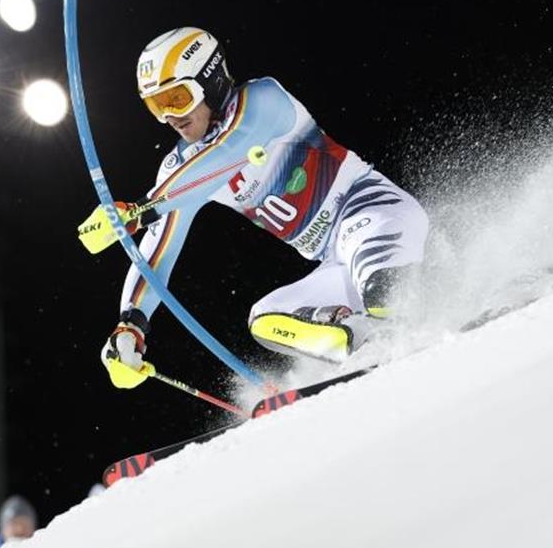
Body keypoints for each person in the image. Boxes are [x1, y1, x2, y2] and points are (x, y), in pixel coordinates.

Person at [80, 26, 429, 388]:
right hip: (335, 261)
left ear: (211, 82)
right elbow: (156, 255)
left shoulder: (264, 100)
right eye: (157, 105)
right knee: (267, 319)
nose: (170, 116)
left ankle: (397, 329)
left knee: (385, 296)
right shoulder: (177, 172)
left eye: (177, 98)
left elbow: (227, 155)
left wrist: (141, 208)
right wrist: (131, 325)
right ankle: (361, 344)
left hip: (374, 214)